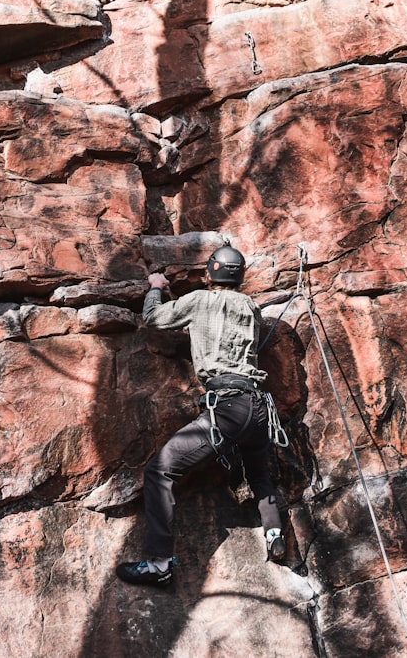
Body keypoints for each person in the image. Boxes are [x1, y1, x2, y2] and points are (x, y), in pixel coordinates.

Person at [116, 243, 286, 587]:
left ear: (212, 272)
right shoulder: (251, 307)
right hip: (257, 407)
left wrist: (156, 289)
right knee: (259, 473)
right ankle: (274, 534)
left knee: (160, 470)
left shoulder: (199, 301)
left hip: (226, 405)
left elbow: (155, 318)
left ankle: (159, 564)